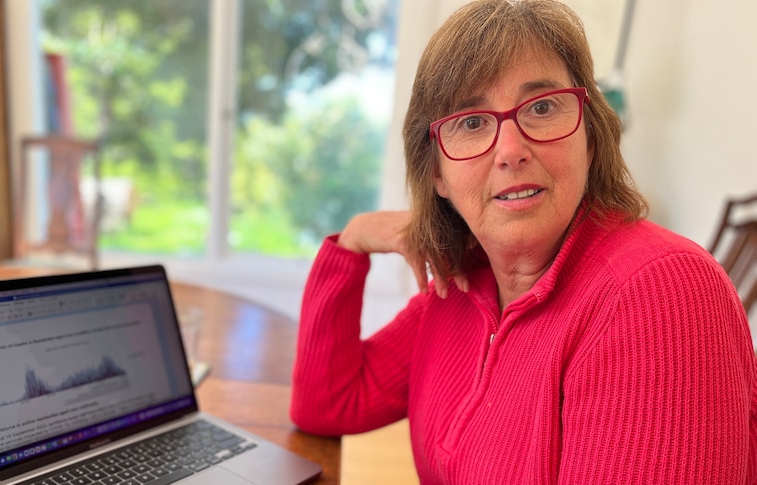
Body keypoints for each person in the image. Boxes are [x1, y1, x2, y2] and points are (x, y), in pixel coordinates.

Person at [289, 0, 757, 483]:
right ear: (437, 174)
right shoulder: (463, 287)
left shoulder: (663, 294)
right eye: (471, 122)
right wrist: (351, 244)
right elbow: (328, 404)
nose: (511, 151)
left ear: (590, 137)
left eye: (542, 107)